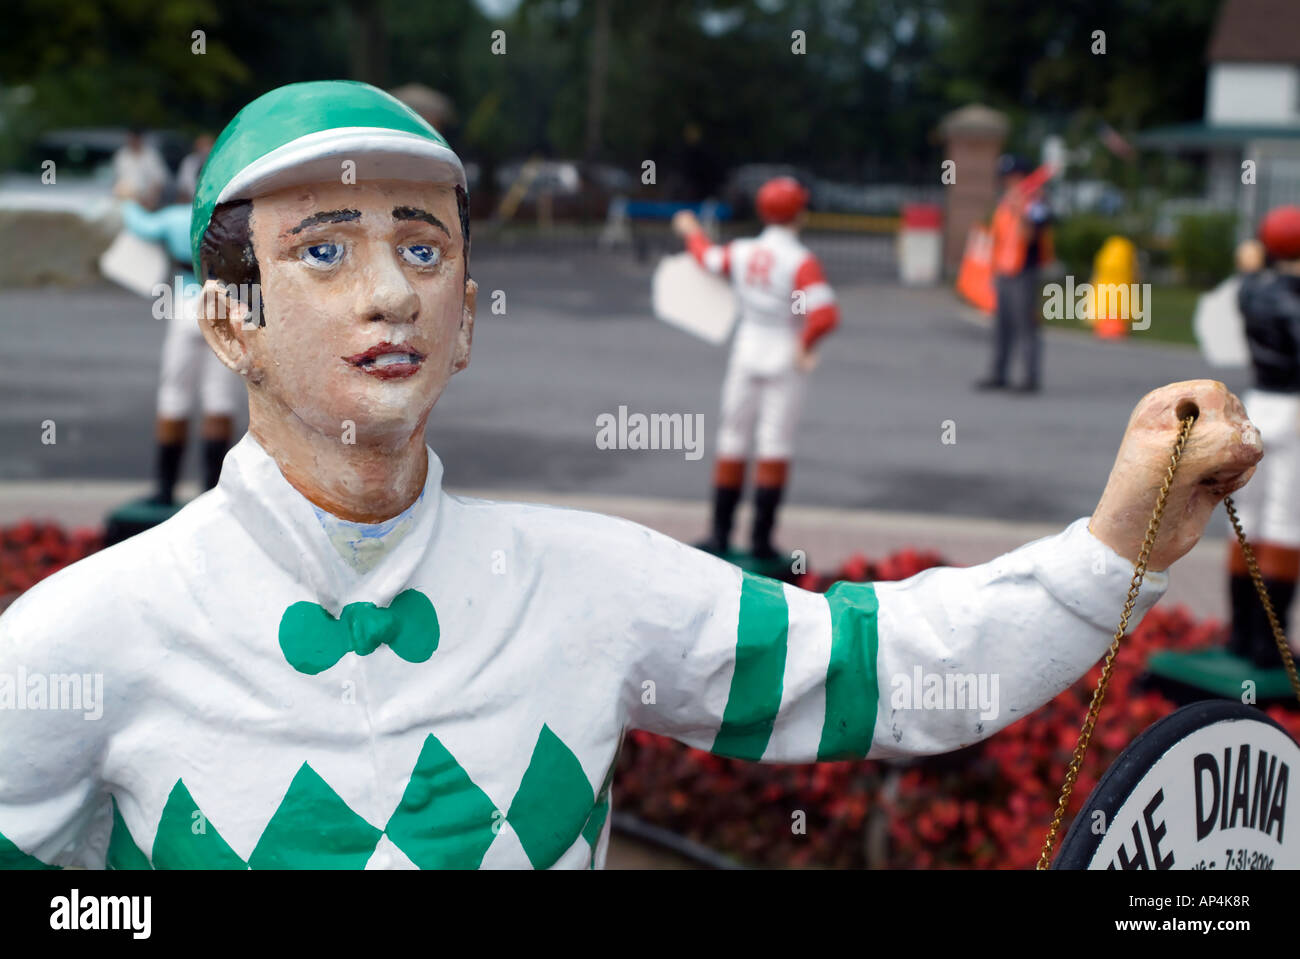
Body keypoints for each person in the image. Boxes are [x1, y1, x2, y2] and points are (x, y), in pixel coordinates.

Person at [0, 81, 1263, 871]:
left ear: (469, 315)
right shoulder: (83, 633)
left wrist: (1121, 539)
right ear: (230, 319)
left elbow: (891, 670)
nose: (388, 292)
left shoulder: (590, 580)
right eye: (321, 250)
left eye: (421, 245)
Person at [671, 177, 838, 560]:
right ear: (800, 213)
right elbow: (825, 313)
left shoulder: (743, 250)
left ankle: (719, 534)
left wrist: (692, 231)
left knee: (732, 437)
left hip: (747, 349)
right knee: (775, 443)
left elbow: (706, 257)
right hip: (784, 351)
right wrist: (806, 343)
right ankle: (761, 541)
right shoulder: (800, 260)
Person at [118, 199, 241, 504]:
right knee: (219, 399)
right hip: (223, 306)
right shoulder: (232, 218)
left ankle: (165, 489)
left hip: (186, 304)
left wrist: (127, 200)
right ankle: (214, 491)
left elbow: (141, 224)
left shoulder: (175, 216)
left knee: (174, 394)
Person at [1226, 207, 1300, 668]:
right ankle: (1269, 643)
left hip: (1258, 404)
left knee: (1248, 520)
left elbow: (1250, 269)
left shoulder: (1252, 289)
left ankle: (1241, 633)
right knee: (1285, 523)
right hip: (1294, 410)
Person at [976, 154, 1054, 393]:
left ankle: (1030, 377)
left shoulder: (1036, 203)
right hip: (1004, 270)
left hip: (1024, 271)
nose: (1007, 182)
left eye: (1011, 177)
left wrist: (1022, 210)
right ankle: (998, 373)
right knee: (1001, 326)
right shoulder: (1005, 202)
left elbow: (1031, 235)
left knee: (1025, 325)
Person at [111, 128, 170, 211]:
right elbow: (118, 180)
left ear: (140, 139)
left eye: (135, 138)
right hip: (124, 201)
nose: (133, 141)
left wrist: (151, 200)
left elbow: (159, 180)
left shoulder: (151, 155)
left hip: (146, 201)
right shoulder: (122, 155)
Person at [175, 133, 215, 203]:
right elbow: (182, 188)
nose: (204, 150)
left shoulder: (216, 162)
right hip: (190, 202)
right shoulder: (189, 162)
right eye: (201, 146)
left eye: (207, 146)